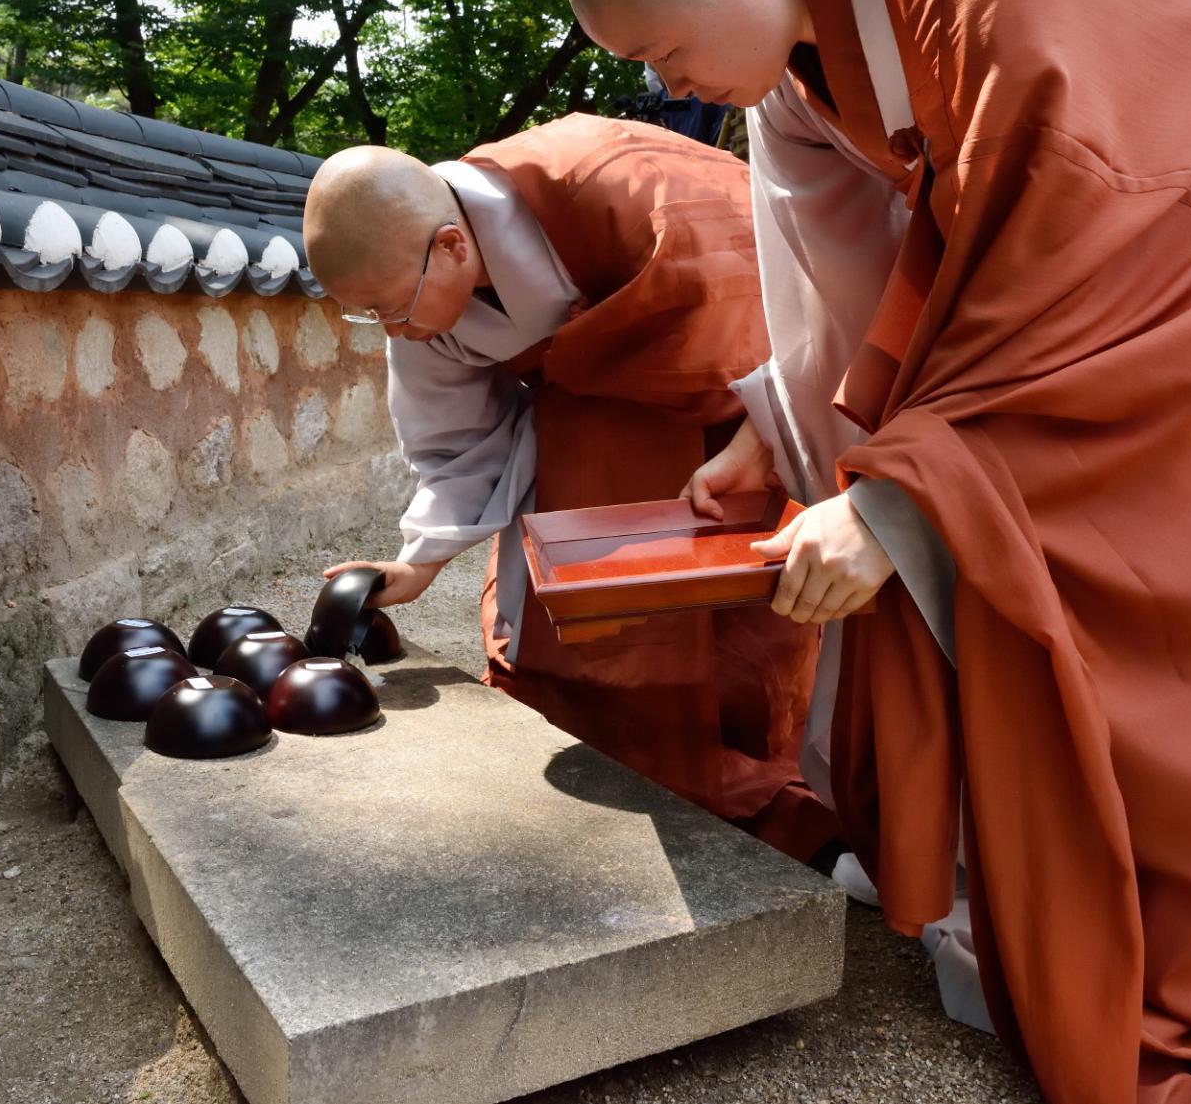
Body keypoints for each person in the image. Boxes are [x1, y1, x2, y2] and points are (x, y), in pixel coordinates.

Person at [558, 0, 1191, 1104]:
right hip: (1119, 227)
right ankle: (1019, 859)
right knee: (959, 514)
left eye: (663, 55)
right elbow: (858, 302)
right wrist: (791, 432)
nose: (671, 88)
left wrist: (891, 495)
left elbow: (1066, 274)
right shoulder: (790, 80)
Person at [304, 113, 834, 859]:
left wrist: (764, 438)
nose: (393, 332)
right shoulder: (424, 297)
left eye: (393, 309)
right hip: (582, 436)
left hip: (730, 425)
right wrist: (416, 564)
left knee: (738, 650)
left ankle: (776, 822)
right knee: (569, 629)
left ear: (452, 245)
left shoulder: (620, 189)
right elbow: (457, 442)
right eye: (371, 317)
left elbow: (788, 321)